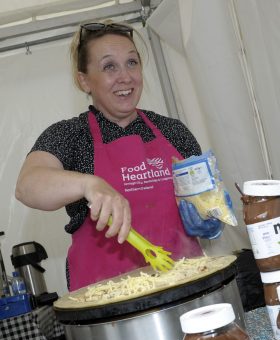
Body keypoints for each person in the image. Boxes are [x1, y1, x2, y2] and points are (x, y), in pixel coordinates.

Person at [15, 21, 221, 291]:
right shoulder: (70, 136)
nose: (125, 76)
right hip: (110, 307)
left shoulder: (172, 131)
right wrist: (89, 183)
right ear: (84, 80)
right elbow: (27, 186)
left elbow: (206, 199)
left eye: (132, 63)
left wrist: (210, 218)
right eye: (109, 66)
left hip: (186, 288)